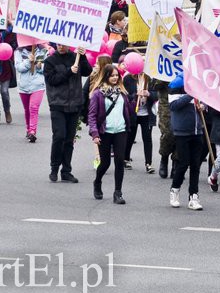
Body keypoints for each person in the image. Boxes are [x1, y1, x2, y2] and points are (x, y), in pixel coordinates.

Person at [44, 44, 92, 183]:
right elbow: (52, 80)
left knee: (69, 140)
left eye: (63, 44)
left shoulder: (75, 57)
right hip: (57, 104)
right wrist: (69, 71)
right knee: (59, 136)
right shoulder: (50, 61)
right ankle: (54, 168)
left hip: (74, 104)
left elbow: (87, 71)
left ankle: (66, 171)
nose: (60, 46)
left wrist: (83, 57)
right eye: (58, 44)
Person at [88, 64, 132, 204]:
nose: (114, 78)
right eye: (112, 75)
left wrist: (138, 100)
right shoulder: (98, 94)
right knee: (105, 163)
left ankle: (118, 193)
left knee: (119, 161)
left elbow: (129, 109)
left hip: (121, 131)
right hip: (105, 132)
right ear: (106, 76)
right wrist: (95, 134)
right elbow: (92, 115)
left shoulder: (122, 93)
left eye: (116, 75)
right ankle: (97, 181)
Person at [168, 75, 205, 210]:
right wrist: (190, 95)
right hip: (182, 131)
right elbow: (173, 105)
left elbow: (205, 102)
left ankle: (193, 196)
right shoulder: (176, 84)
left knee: (196, 164)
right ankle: (175, 190)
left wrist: (203, 106)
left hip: (197, 130)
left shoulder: (199, 82)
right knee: (183, 163)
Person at [123, 71, 157, 174]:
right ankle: (126, 159)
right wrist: (135, 95)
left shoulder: (151, 78)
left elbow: (157, 95)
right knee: (130, 137)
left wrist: (149, 94)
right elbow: (125, 96)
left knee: (147, 138)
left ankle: (148, 163)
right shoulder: (128, 78)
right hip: (133, 113)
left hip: (147, 113)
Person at [15, 44, 47, 143]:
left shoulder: (43, 51)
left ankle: (32, 131)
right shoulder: (19, 52)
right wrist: (29, 61)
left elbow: (47, 68)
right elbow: (19, 68)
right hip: (24, 86)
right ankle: (28, 128)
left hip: (38, 85)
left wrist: (40, 66)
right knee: (27, 109)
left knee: (33, 108)